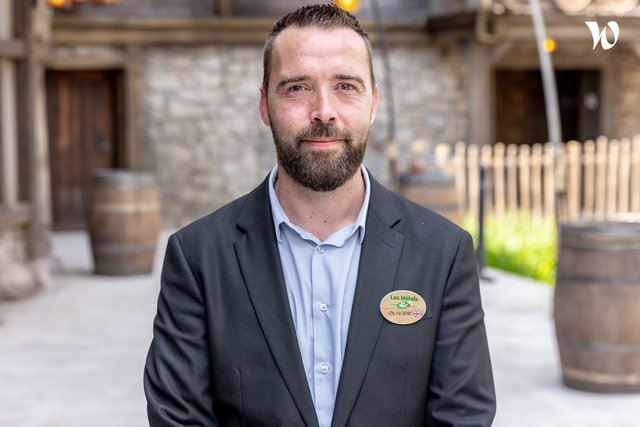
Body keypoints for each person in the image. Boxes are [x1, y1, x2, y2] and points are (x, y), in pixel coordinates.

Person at [144, 4, 496, 426]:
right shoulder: (198, 256)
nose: (323, 110)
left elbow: (463, 416)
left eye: (345, 86)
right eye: (297, 87)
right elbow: (178, 418)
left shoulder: (443, 253)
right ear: (264, 106)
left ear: (373, 103)